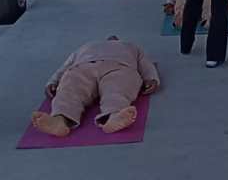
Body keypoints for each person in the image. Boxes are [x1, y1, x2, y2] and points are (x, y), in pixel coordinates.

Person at [30, 36, 159, 137]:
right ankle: (59, 120)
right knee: (70, 89)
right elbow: (65, 65)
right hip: (83, 67)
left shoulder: (131, 46)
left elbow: (145, 64)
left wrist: (151, 78)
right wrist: (53, 81)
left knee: (117, 89)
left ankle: (114, 115)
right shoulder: (87, 46)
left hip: (119, 67)